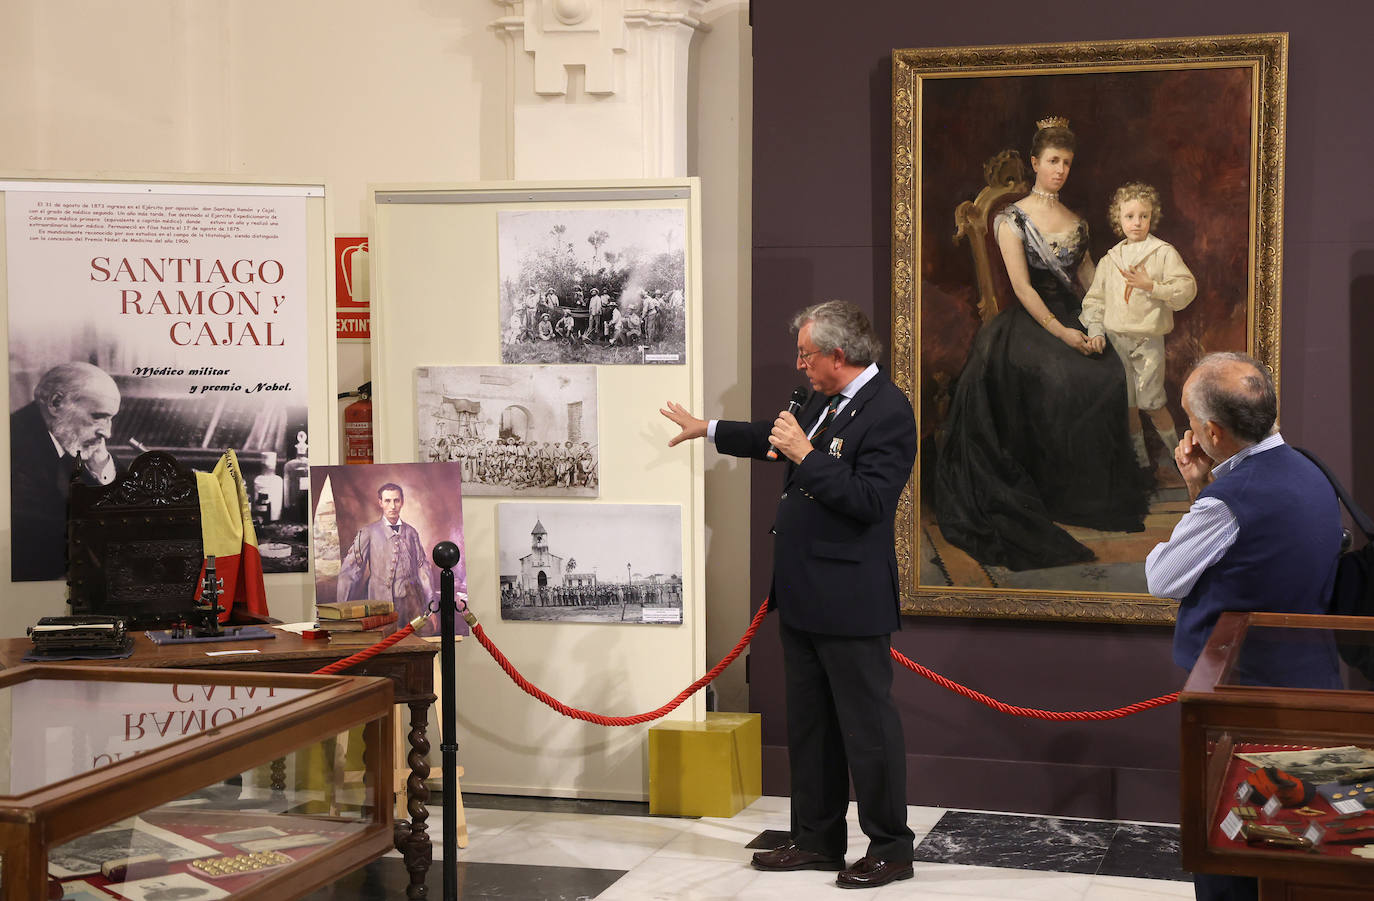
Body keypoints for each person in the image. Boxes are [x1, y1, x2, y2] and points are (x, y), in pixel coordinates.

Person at [660, 300, 916, 890]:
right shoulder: (825, 401)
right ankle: (818, 839)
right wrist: (711, 430)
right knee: (811, 726)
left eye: (806, 354)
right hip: (802, 593)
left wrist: (804, 455)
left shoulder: (889, 412)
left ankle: (891, 849)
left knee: (867, 730)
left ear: (838, 354)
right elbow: (778, 439)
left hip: (850, 599)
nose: (799, 365)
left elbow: (871, 500)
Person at [1146, 353, 1341, 901]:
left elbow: (1163, 578)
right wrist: (1199, 489)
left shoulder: (1228, 502)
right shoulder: (1310, 468)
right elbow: (1251, 558)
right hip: (1311, 683)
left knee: (1230, 844)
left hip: (1239, 700)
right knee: (1292, 843)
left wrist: (1201, 501)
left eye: (1189, 417)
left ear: (1211, 430)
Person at [933, 117, 1149, 572]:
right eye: (1052, 161)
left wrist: (1100, 325)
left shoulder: (1076, 221)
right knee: (1059, 375)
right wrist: (1065, 333)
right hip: (1030, 323)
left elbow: (1089, 279)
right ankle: (1050, 491)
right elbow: (1024, 289)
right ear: (1034, 162)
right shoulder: (1010, 219)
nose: (1060, 170)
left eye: (1067, 163)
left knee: (1109, 369)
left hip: (1075, 312)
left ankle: (1087, 495)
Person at [1079, 182, 1197, 477]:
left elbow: (1186, 288)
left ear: (1152, 218)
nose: (1137, 222)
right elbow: (1094, 300)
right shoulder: (1111, 260)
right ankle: (1141, 465)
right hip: (1117, 341)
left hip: (1147, 341)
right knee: (1129, 404)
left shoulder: (1162, 253)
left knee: (1152, 401)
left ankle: (1178, 457)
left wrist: (1152, 286)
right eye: (1130, 216)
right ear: (1118, 219)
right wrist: (1096, 330)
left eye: (1143, 216)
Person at [10, 361, 122, 581]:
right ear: (56, 402)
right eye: (98, 416)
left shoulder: (66, 436)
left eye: (111, 419)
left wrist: (101, 469)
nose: (107, 433)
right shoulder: (13, 446)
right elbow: (43, 535)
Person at [335, 482, 437, 631]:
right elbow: (350, 572)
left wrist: (431, 608)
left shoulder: (411, 533)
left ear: (402, 502)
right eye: (388, 501)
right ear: (380, 503)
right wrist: (341, 612)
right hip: (379, 604)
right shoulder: (367, 532)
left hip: (411, 605)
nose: (393, 506)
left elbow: (424, 571)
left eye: (396, 500)